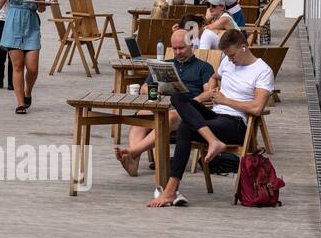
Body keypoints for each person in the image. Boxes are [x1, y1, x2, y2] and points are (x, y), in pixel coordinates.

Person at [149, 28, 271, 207]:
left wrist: (226, 100)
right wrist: (212, 90)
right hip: (215, 115)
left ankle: (170, 191)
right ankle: (213, 141)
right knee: (178, 97)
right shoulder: (228, 62)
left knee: (185, 128)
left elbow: (257, 107)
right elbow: (215, 77)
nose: (230, 59)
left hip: (235, 123)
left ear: (243, 47)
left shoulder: (262, 70)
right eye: (227, 56)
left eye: (232, 55)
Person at [114, 28, 215, 188]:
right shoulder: (164, 65)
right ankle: (133, 164)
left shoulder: (203, 67)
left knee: (170, 116)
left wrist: (201, 97)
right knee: (141, 116)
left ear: (191, 46)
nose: (177, 52)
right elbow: (144, 88)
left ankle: (133, 152)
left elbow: (209, 91)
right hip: (162, 105)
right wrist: (158, 89)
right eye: (174, 48)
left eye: (181, 48)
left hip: (186, 110)